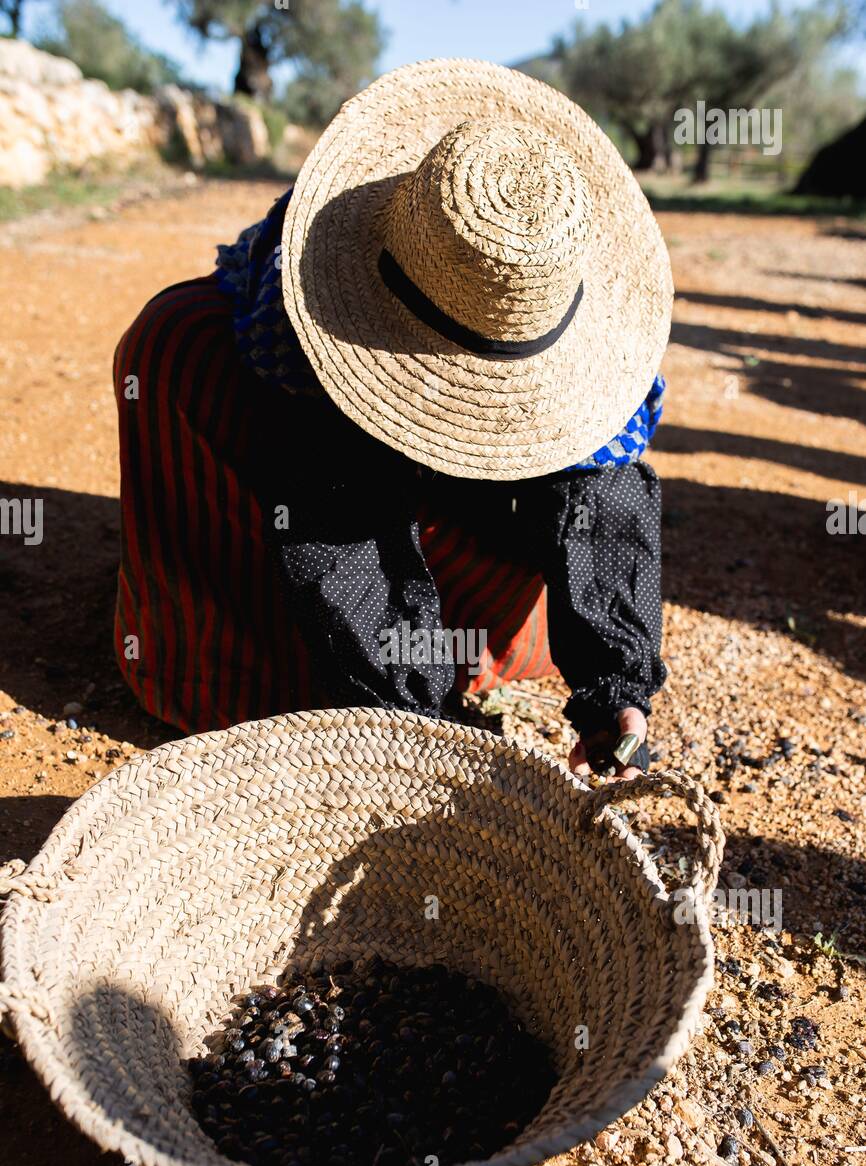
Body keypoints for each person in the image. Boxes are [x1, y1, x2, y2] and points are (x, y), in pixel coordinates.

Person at [113, 59, 673, 781]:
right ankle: (245, 660)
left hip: (465, 539)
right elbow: (339, 519)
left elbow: (603, 503)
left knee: (568, 495)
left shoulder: (586, 344)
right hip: (319, 484)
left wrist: (615, 693)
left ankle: (438, 653)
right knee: (170, 345)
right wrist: (410, 725)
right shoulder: (300, 308)